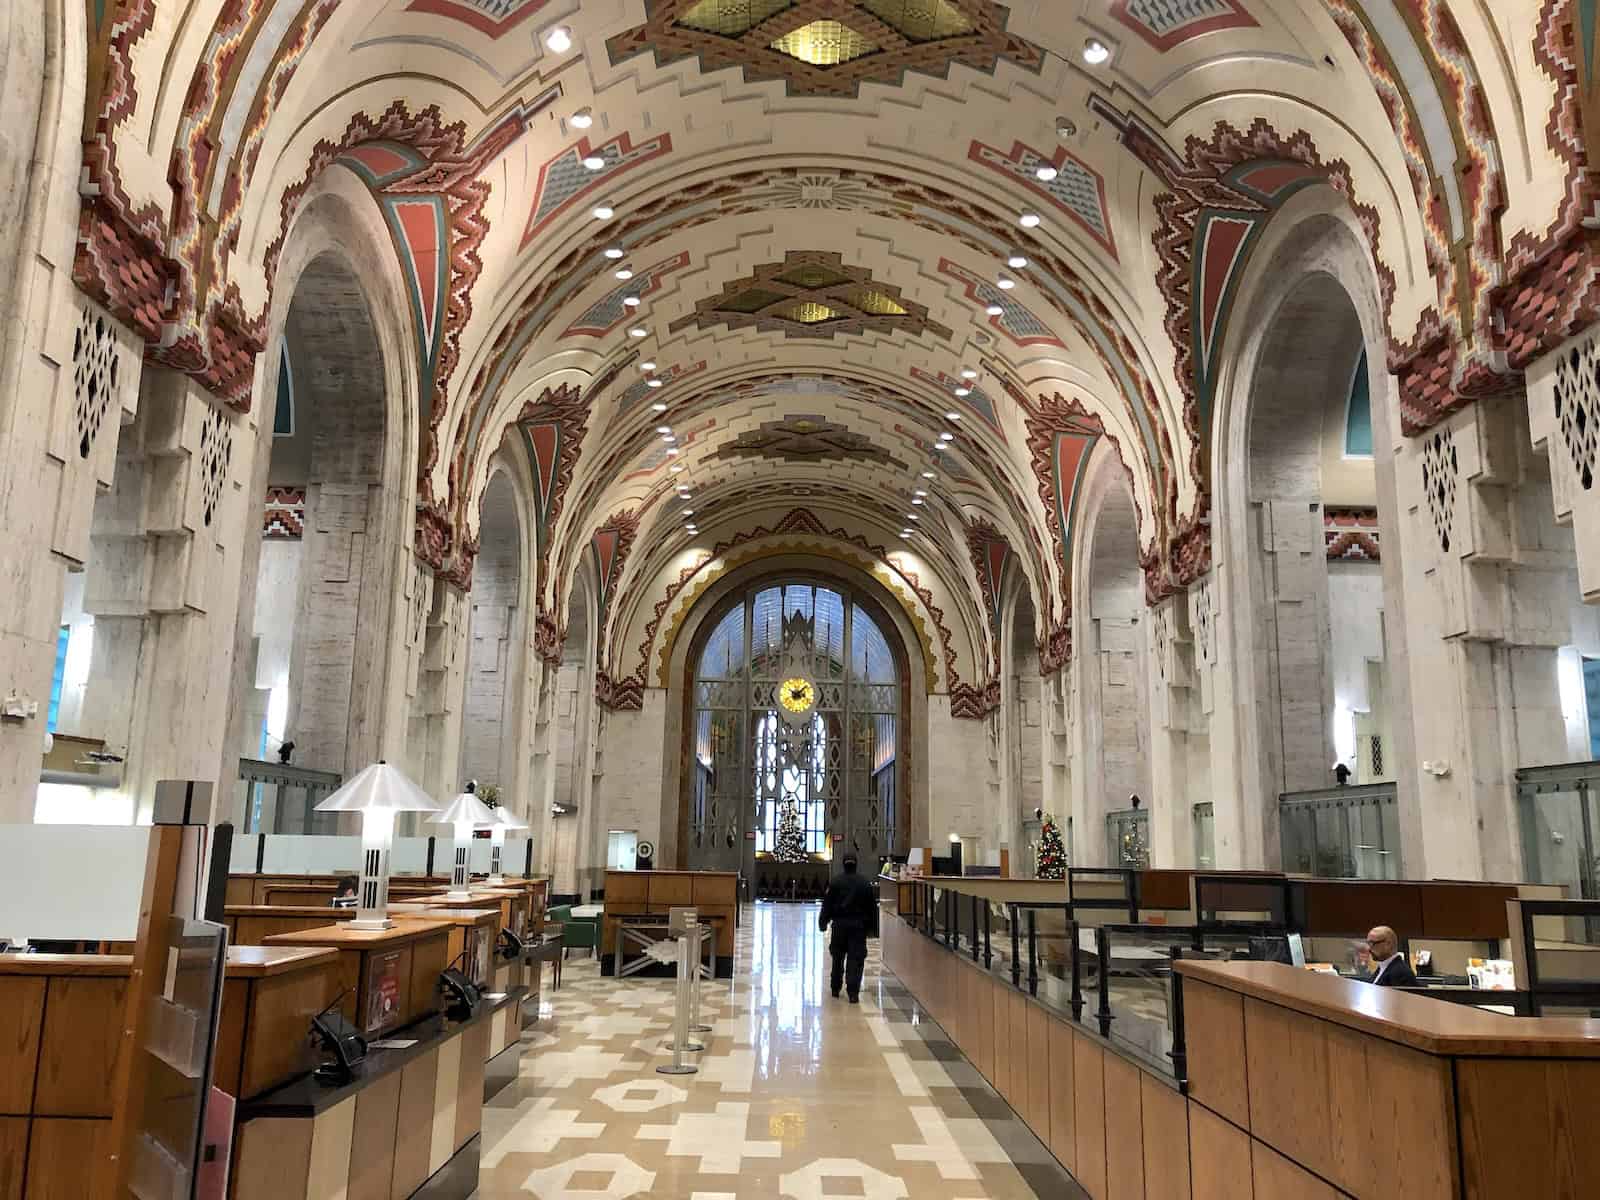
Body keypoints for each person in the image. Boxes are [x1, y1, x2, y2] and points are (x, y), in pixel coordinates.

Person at [819, 853, 876, 1003]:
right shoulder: (865, 883)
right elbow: (872, 908)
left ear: (843, 864)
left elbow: (827, 904)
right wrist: (873, 929)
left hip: (839, 926)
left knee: (837, 958)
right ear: (856, 864)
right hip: (858, 927)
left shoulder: (835, 882)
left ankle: (835, 988)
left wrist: (823, 922)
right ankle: (853, 992)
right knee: (855, 959)